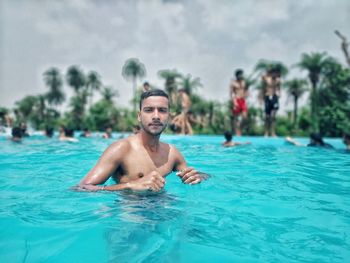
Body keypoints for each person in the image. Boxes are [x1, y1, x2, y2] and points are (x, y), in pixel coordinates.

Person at [77, 89, 206, 192]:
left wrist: (198, 177)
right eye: (149, 110)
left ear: (168, 116)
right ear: (139, 116)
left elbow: (194, 175)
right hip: (131, 216)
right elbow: (81, 187)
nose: (156, 116)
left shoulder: (172, 153)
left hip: (166, 211)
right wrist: (130, 185)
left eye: (162, 110)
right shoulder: (121, 149)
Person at [262, 68, 281, 137]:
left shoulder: (278, 80)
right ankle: (266, 132)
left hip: (274, 97)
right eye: (273, 73)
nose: (275, 75)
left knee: (273, 116)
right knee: (267, 117)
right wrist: (268, 71)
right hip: (267, 97)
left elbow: (279, 88)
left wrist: (279, 93)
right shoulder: (267, 79)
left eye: (276, 73)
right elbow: (262, 76)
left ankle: (273, 133)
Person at [230, 69, 248, 136]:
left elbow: (245, 90)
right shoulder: (233, 83)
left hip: (243, 101)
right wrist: (234, 102)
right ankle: (236, 132)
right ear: (237, 75)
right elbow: (231, 93)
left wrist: (246, 95)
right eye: (240, 74)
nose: (241, 76)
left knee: (245, 117)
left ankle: (239, 129)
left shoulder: (243, 82)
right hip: (236, 100)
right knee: (235, 118)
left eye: (242, 74)